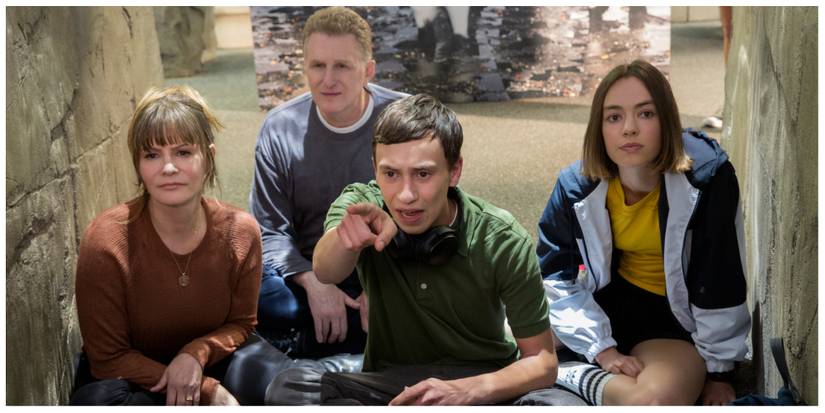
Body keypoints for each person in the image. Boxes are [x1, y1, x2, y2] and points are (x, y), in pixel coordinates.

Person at [266, 94, 579, 406]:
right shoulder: (362, 205)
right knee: (291, 388)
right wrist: (349, 239)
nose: (405, 195)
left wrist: (467, 390)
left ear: (454, 171)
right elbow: (325, 269)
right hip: (394, 384)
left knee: (560, 406)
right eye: (390, 174)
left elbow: (542, 361)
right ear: (375, 169)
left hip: (482, 382)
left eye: (423, 174)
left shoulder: (502, 238)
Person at [536, 59, 750, 405]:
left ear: (667, 121)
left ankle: (559, 374)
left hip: (671, 319)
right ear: (599, 128)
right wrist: (602, 349)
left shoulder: (708, 178)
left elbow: (721, 277)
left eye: (646, 114)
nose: (629, 129)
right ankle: (561, 370)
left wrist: (719, 372)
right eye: (614, 117)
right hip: (599, 305)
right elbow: (554, 277)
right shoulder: (575, 187)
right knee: (498, 341)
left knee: (652, 402)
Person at [72, 85, 272, 405]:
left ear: (208, 157)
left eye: (182, 152)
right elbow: (107, 357)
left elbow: (242, 323)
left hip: (214, 360)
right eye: (152, 155)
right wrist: (208, 392)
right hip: (133, 377)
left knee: (273, 381)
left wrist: (195, 354)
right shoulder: (106, 240)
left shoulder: (241, 230)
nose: (168, 168)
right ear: (138, 164)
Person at [249, 6, 407, 360]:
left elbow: (433, 211)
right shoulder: (278, 129)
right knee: (254, 296)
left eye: (342, 66)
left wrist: (387, 286)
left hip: (391, 262)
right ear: (304, 67)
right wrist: (314, 280)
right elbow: (269, 229)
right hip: (307, 269)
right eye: (318, 66)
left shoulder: (405, 120)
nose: (327, 79)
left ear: (368, 70)